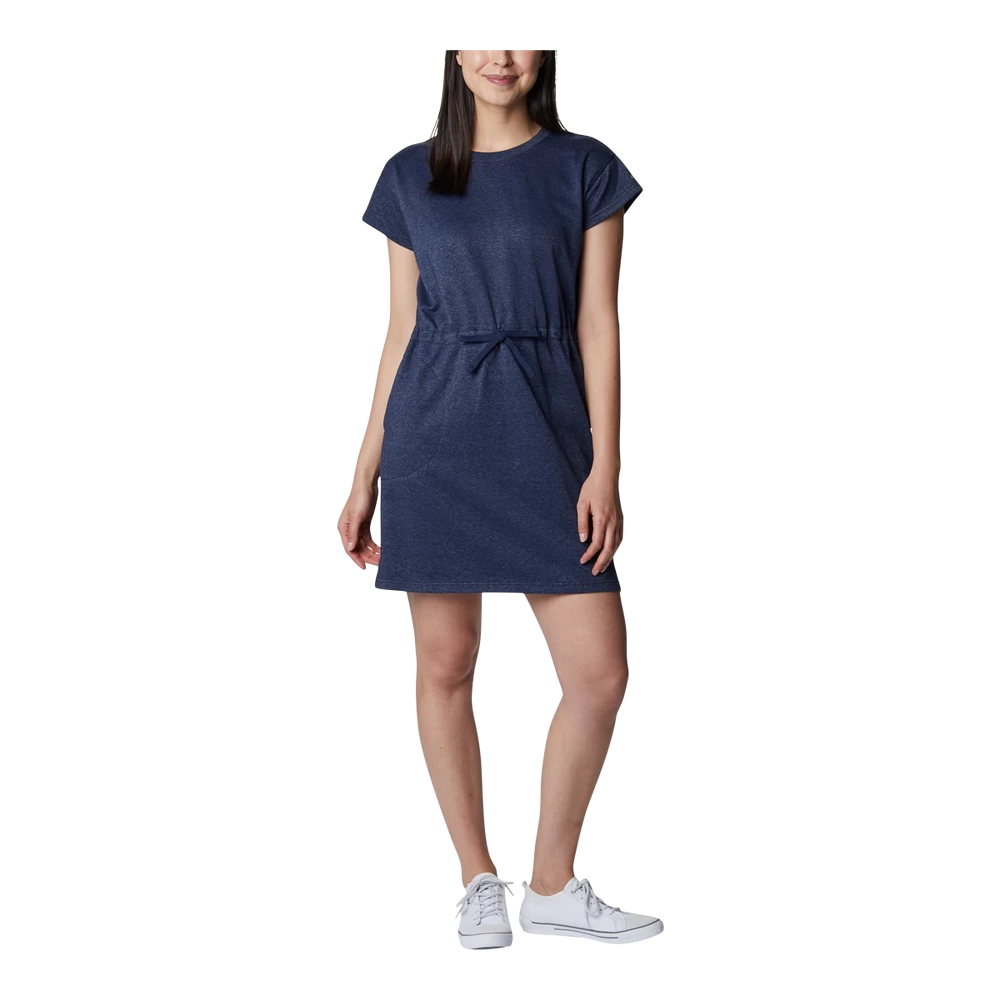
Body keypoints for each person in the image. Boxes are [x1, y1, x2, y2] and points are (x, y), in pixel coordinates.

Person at [338, 49, 663, 948]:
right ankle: (477, 879)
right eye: (481, 32)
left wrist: (606, 467)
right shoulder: (408, 175)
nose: (501, 55)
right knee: (446, 663)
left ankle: (552, 885)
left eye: (521, 33)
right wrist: (363, 475)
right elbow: (401, 331)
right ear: (452, 49)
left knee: (598, 674)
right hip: (435, 436)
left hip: (546, 439)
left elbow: (598, 322)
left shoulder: (586, 167)